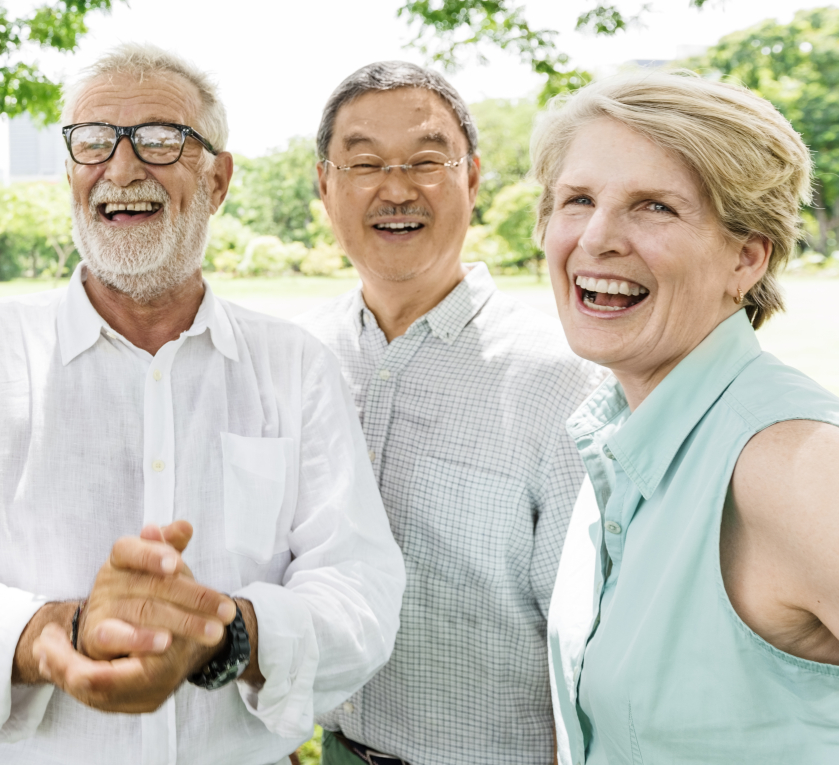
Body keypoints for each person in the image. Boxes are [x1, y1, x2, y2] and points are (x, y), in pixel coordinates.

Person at [0, 43, 407, 765]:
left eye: (161, 139)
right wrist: (54, 635)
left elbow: (359, 587)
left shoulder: (294, 366)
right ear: (69, 173)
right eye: (94, 142)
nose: (122, 169)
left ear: (217, 179)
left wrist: (227, 634)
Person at [297, 62, 606, 765]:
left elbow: (586, 642)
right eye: (365, 163)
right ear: (325, 186)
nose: (396, 188)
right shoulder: (301, 359)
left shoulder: (559, 377)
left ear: (471, 178)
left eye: (426, 160)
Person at [535, 71, 839, 764]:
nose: (599, 238)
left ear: (747, 256)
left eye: (655, 207)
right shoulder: (618, 437)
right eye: (577, 199)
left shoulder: (791, 462)